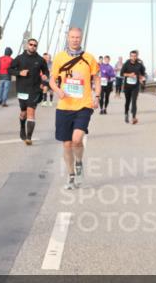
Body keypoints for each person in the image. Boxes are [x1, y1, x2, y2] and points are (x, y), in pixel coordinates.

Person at [51, 27, 99, 190]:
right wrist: (58, 91)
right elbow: (52, 80)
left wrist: (97, 96)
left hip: (83, 105)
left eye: (78, 37)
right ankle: (71, 175)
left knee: (77, 139)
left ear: (81, 38)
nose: (75, 40)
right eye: (72, 37)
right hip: (64, 106)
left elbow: (97, 79)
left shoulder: (89, 58)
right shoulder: (59, 58)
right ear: (68, 38)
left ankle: (79, 163)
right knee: (66, 144)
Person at [10, 37, 50, 145]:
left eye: (35, 45)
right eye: (31, 44)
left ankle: (28, 138)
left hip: (35, 90)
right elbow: (10, 70)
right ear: (27, 45)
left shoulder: (40, 60)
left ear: (36, 47)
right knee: (23, 113)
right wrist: (19, 73)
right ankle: (22, 127)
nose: (32, 46)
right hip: (22, 89)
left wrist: (45, 77)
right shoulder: (19, 58)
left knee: (31, 111)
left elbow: (46, 71)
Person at [120, 50, 146, 124]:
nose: (133, 57)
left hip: (135, 86)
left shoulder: (139, 64)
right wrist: (129, 75)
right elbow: (122, 74)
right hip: (127, 86)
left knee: (134, 101)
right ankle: (126, 114)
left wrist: (141, 78)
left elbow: (142, 73)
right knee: (127, 101)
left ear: (137, 56)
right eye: (132, 56)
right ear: (130, 56)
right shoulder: (126, 63)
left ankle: (134, 117)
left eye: (135, 56)